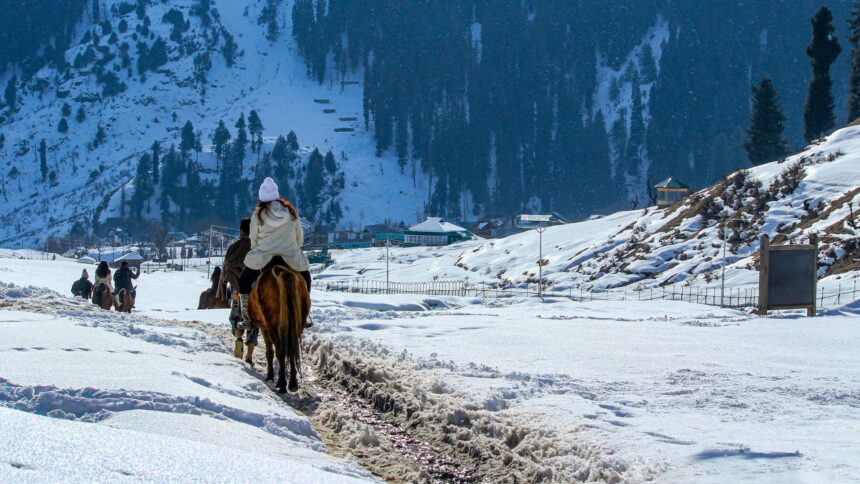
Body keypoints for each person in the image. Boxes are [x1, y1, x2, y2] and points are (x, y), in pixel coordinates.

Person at [237, 178, 312, 352]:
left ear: (262, 197)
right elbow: (299, 238)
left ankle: (247, 318)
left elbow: (253, 239)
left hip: (264, 257)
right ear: (277, 196)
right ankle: (304, 313)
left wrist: (261, 249)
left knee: (244, 281)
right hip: (290, 257)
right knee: (306, 277)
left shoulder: (258, 214)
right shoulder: (291, 212)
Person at [219, 218, 253, 358]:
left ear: (241, 230)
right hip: (254, 291)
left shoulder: (234, 247)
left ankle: (238, 338)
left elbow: (225, 269)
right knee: (253, 320)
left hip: (236, 290)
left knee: (236, 316)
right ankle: (250, 354)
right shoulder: (257, 248)